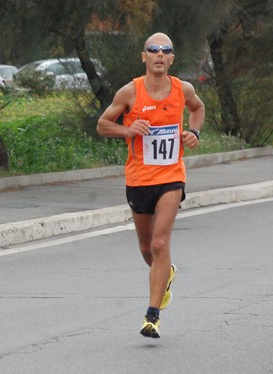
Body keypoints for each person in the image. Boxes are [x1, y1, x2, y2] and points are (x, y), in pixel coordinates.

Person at [97, 32, 205, 338]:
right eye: (153, 50)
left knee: (160, 243)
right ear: (144, 56)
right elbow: (103, 124)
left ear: (172, 59)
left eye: (166, 50)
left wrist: (194, 133)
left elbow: (198, 109)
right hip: (139, 178)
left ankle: (152, 316)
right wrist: (129, 130)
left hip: (171, 176)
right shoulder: (130, 92)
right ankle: (166, 272)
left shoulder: (183, 89)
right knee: (147, 249)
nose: (159, 54)